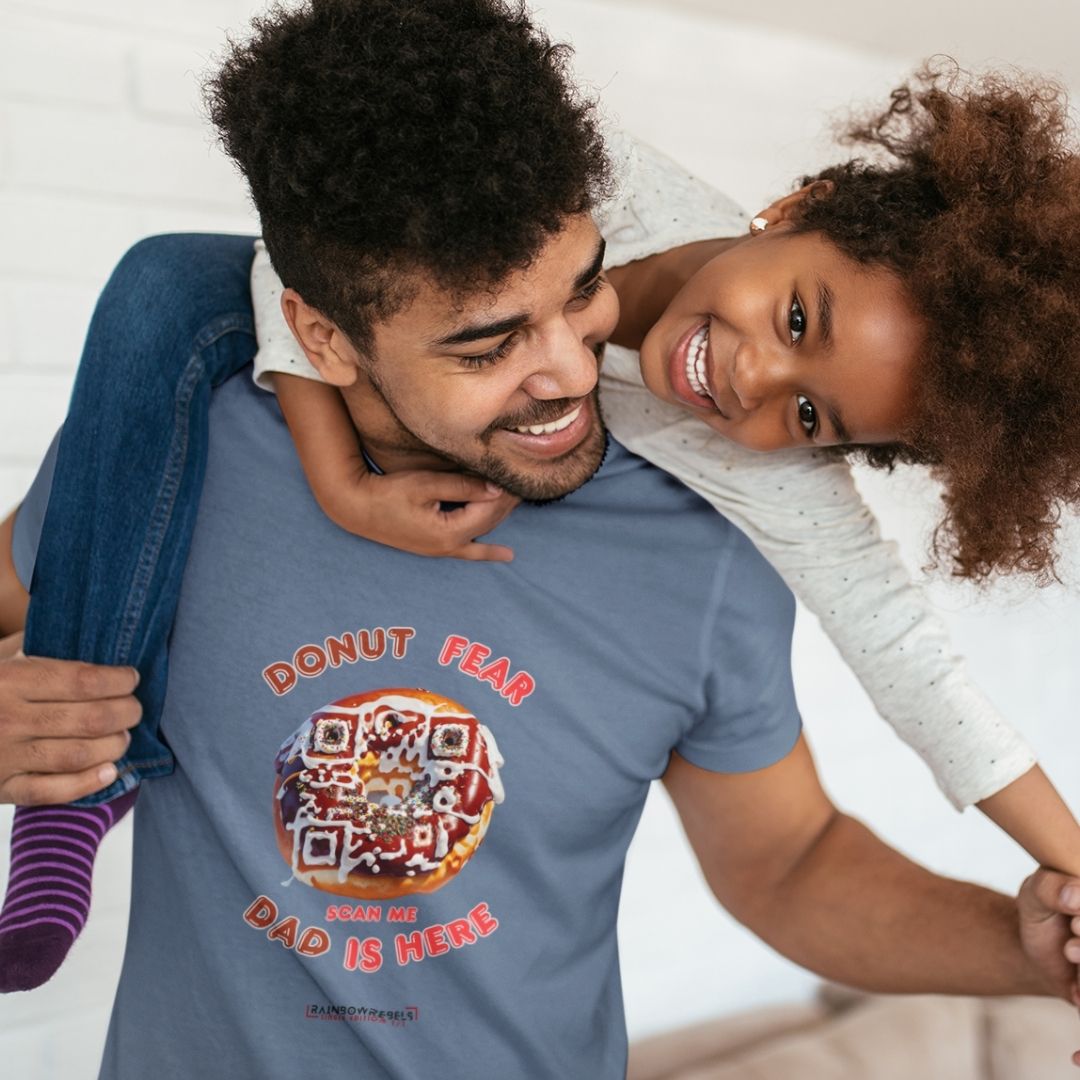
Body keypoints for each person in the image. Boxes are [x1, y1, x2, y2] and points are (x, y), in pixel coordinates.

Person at [0, 1, 1078, 1072]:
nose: (568, 372)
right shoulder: (179, 438)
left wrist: (1037, 944)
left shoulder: (720, 528)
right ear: (323, 336)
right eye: (486, 344)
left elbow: (791, 857)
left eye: (581, 292)